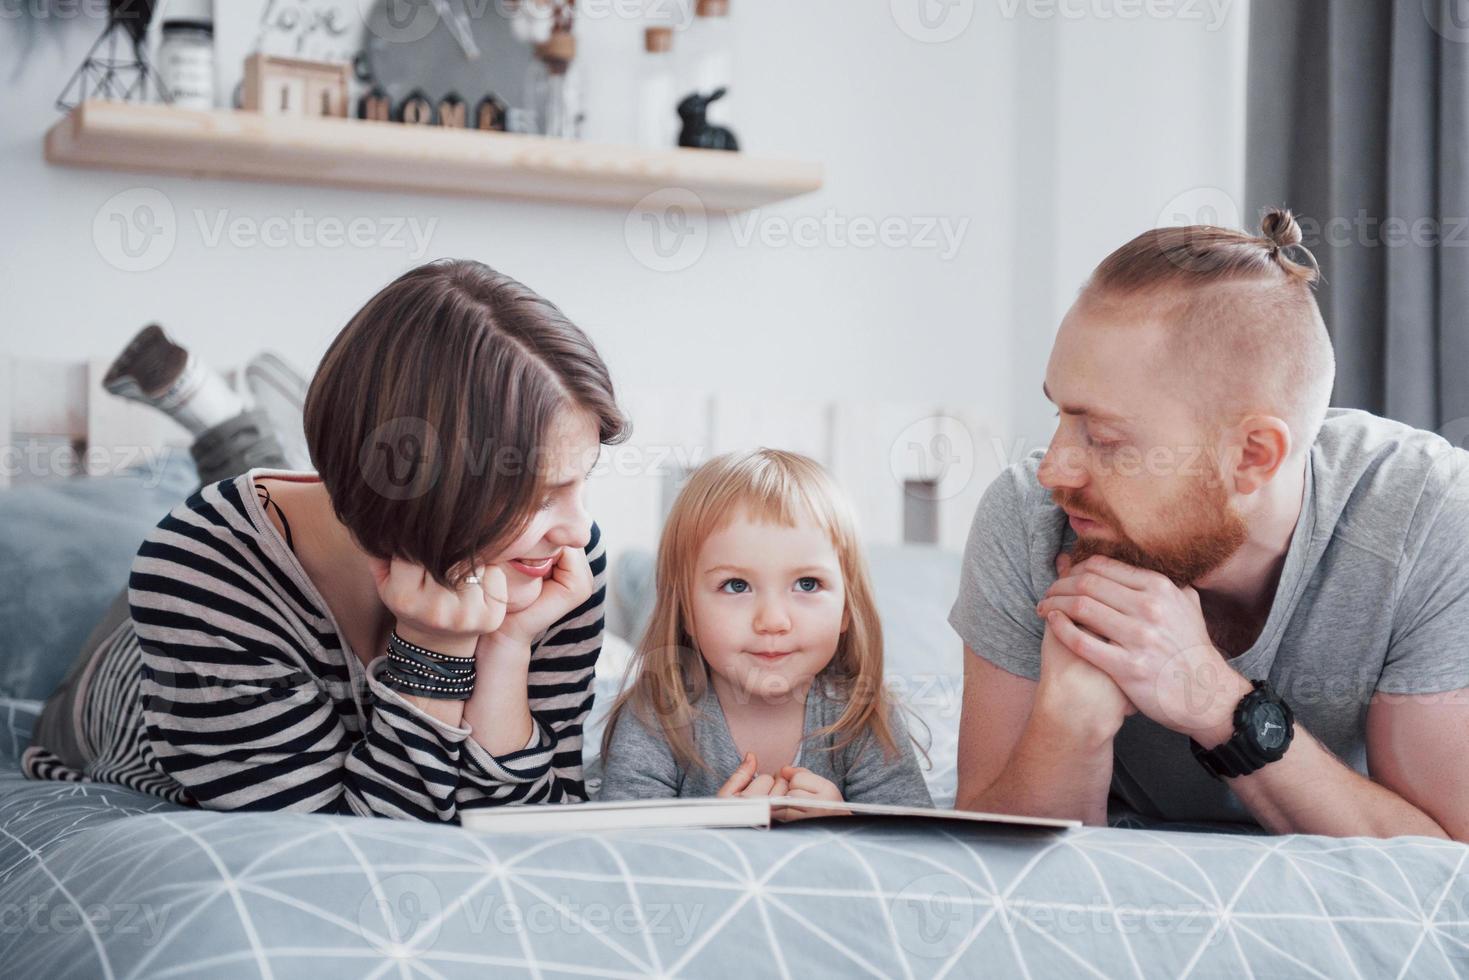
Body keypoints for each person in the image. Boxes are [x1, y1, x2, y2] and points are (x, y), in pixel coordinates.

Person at [24, 259, 629, 823]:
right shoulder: (197, 574)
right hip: (133, 685)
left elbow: (538, 820)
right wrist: (433, 654)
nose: (577, 529)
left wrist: (506, 650)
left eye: (581, 482)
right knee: (191, 538)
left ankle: (234, 429)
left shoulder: (559, 560)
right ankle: (234, 434)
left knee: (345, 508)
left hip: (359, 518)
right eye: (539, 494)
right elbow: (342, 853)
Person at [950, 209, 1469, 839]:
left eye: (1105, 438)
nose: (1053, 470)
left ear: (1253, 456)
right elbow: (982, 870)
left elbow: (1445, 874)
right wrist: (1070, 726)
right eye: (1060, 414)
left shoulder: (1429, 515)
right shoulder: (1028, 521)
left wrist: (1216, 702)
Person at [598, 449, 932, 816]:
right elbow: (626, 849)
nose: (773, 620)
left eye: (807, 584)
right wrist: (713, 830)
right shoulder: (657, 716)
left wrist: (845, 826)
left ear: (847, 609)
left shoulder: (864, 717)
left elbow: (916, 850)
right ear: (686, 612)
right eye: (736, 586)